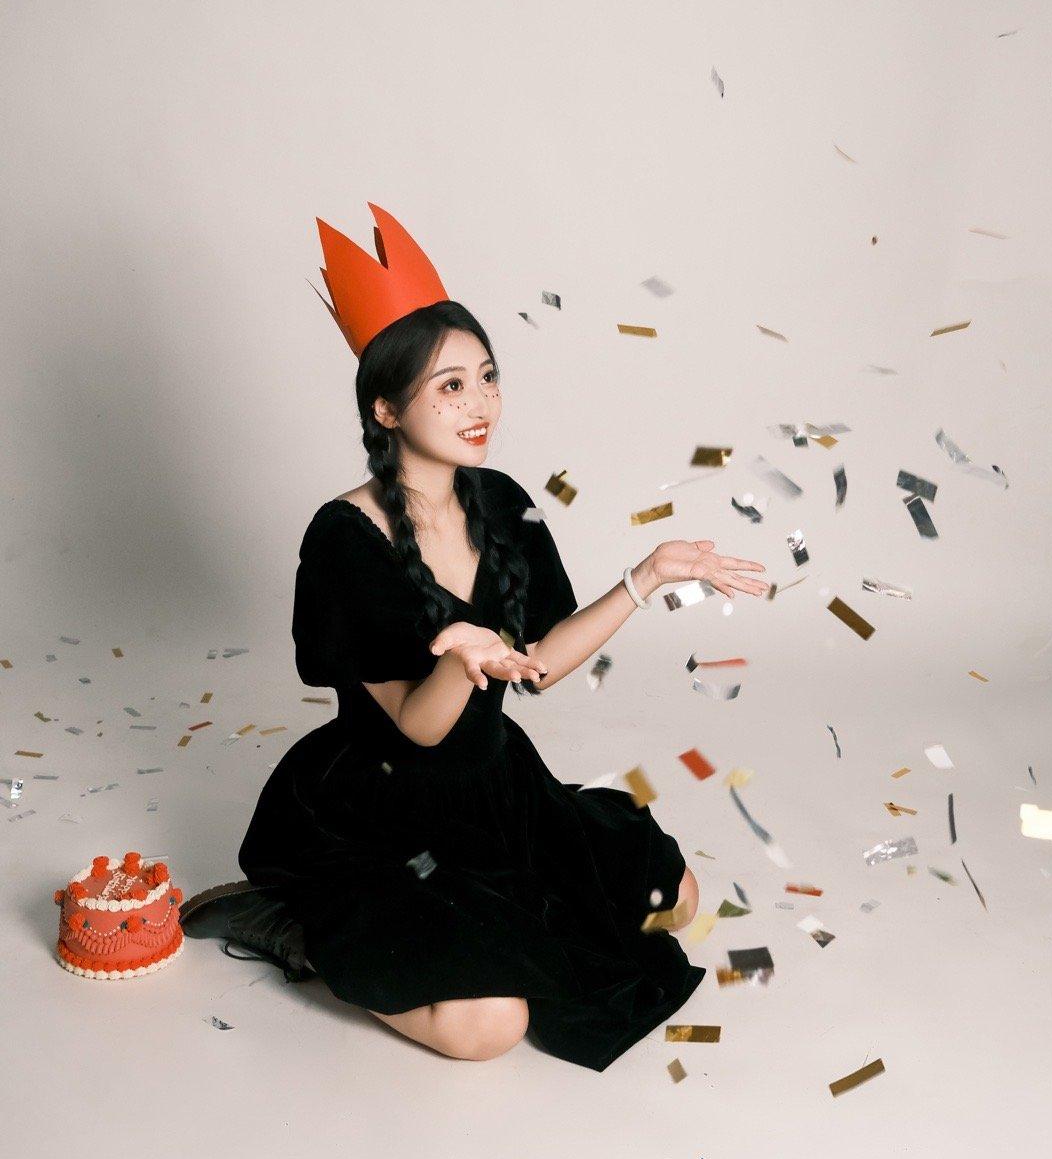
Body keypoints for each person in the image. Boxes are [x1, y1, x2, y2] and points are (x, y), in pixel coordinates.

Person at [181, 203, 770, 1071]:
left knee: (671, 901)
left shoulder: (501, 500)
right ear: (387, 408)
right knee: (489, 1029)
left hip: (498, 789)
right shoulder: (344, 538)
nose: (481, 403)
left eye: (487, 376)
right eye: (450, 386)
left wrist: (643, 579)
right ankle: (301, 929)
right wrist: (460, 656)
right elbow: (418, 728)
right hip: (385, 811)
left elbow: (540, 668)